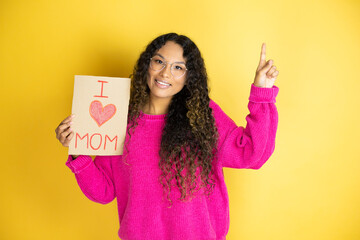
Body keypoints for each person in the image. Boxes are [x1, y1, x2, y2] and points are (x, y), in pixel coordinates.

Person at [55, 32, 279, 240]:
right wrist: (78, 152)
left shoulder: (202, 116)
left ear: (188, 77)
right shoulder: (117, 117)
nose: (165, 73)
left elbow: (251, 154)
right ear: (147, 65)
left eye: (178, 67)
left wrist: (262, 95)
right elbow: (103, 192)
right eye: (159, 61)